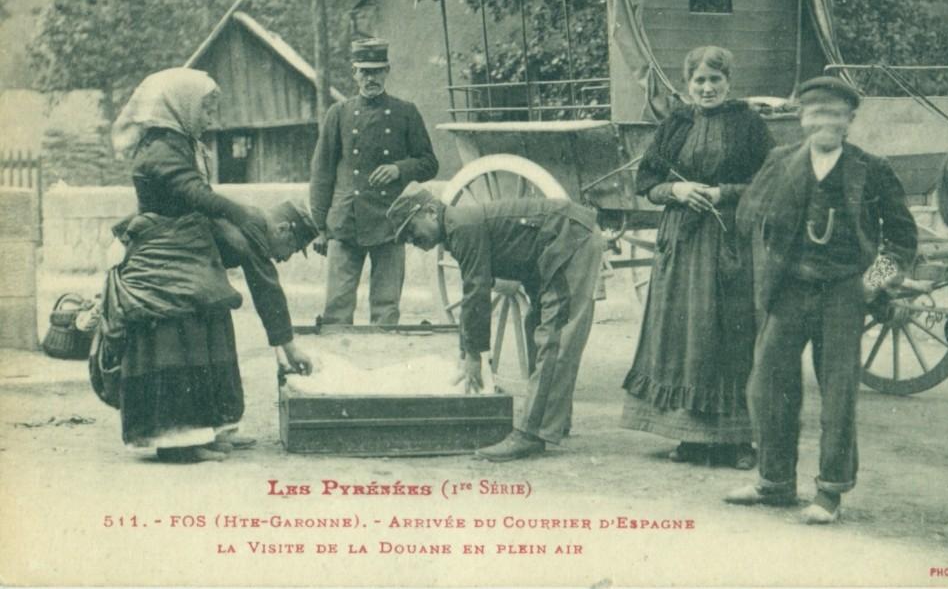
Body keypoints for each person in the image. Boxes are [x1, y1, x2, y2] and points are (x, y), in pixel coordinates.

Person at [724, 75, 917, 523]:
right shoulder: (779, 160)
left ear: (849, 121)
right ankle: (773, 481)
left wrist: (875, 284)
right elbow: (748, 216)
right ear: (802, 120)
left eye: (835, 116)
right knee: (767, 382)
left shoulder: (872, 168)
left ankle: (830, 492)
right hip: (789, 291)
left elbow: (903, 240)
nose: (825, 124)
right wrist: (770, 261)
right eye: (816, 116)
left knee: (838, 393)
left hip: (845, 293)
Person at [108, 68, 312, 463]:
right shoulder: (161, 149)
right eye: (204, 108)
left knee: (212, 324)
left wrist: (242, 223)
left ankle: (208, 428)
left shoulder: (183, 144)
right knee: (178, 333)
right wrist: (244, 212)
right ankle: (176, 443)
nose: (209, 118)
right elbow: (193, 193)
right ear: (178, 105)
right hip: (164, 254)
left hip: (186, 244)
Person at [619, 46, 773, 469]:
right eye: (698, 81)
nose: (707, 88)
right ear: (688, 86)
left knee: (731, 333)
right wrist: (677, 191)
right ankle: (688, 437)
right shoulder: (676, 124)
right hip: (682, 247)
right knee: (684, 335)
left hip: (731, 244)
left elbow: (770, 183)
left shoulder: (750, 125)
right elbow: (647, 181)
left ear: (729, 82)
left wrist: (725, 193)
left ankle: (739, 440)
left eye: (714, 80)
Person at [387, 188, 604, 462]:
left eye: (411, 231)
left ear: (430, 212)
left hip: (571, 240)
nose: (412, 241)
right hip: (556, 244)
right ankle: (555, 421)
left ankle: (531, 434)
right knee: (535, 327)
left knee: (555, 338)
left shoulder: (462, 226)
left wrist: (475, 357)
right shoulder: (458, 228)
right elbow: (476, 290)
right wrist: (467, 351)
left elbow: (476, 294)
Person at [309, 36, 438, 326]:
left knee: (386, 310)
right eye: (365, 71)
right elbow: (322, 173)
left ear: (387, 71)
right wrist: (319, 226)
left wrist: (399, 169)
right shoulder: (338, 114)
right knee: (336, 309)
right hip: (345, 221)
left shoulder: (406, 112)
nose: (371, 78)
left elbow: (430, 163)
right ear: (354, 73)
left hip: (390, 222)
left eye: (377, 71)